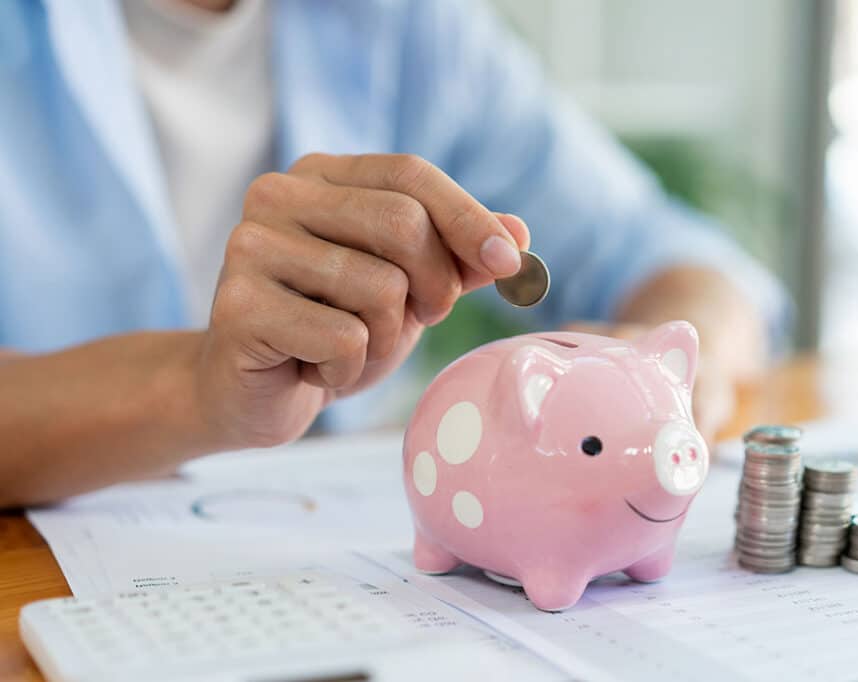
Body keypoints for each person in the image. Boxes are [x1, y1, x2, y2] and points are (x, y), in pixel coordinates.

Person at [0, 0, 787, 507]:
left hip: (336, 559)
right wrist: (196, 388)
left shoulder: (410, 25)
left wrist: (679, 364)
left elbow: (670, 255)